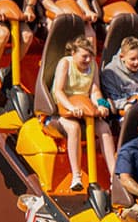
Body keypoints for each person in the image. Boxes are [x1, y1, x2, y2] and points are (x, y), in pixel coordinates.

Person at [47, 34, 116, 193]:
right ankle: (76, 176)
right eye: (84, 56)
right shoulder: (65, 64)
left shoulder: (93, 66)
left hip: (85, 109)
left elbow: (95, 90)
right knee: (73, 128)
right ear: (73, 54)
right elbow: (58, 91)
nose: (87, 60)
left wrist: (101, 104)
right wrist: (71, 107)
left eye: (90, 56)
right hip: (64, 110)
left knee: (104, 128)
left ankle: (114, 176)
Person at [101, 36, 138, 116]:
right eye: (132, 59)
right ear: (122, 57)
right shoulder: (110, 72)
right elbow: (113, 99)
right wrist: (125, 105)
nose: (137, 62)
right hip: (125, 114)